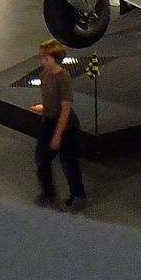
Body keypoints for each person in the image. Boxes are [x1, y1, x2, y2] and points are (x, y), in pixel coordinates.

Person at [33, 38, 87, 211]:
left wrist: (58, 134)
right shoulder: (44, 75)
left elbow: (66, 108)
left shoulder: (63, 78)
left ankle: (78, 194)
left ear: (55, 59)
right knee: (42, 158)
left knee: (68, 161)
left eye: (46, 58)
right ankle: (48, 192)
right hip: (48, 121)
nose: (43, 61)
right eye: (42, 57)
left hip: (64, 124)